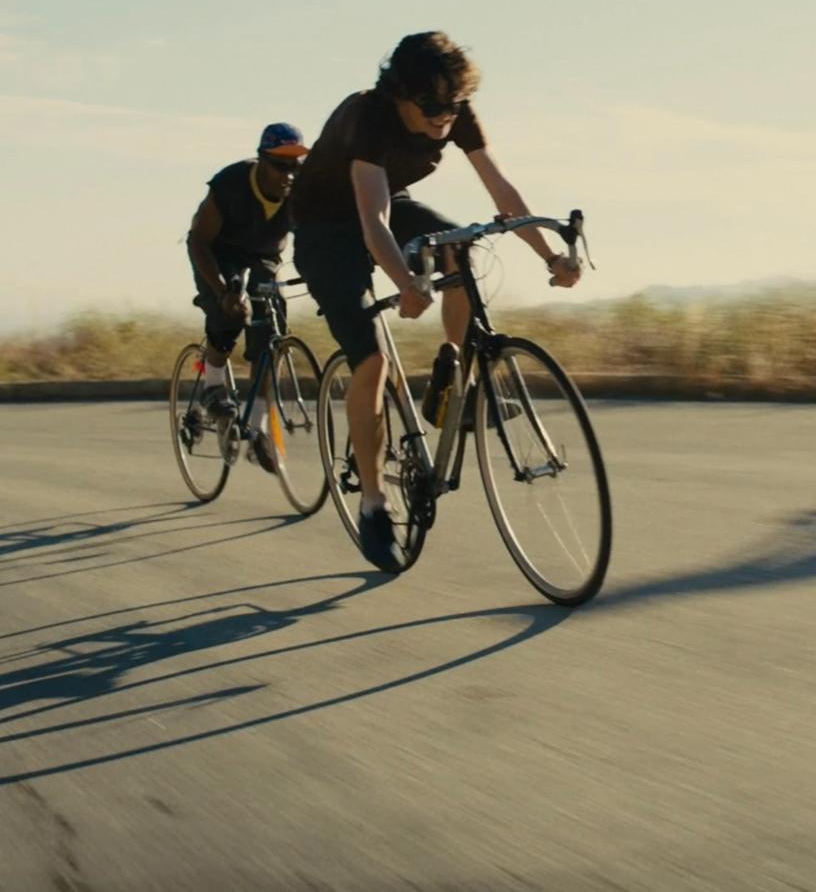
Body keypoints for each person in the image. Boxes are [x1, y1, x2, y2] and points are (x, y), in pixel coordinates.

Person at [290, 31, 580, 568]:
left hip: (390, 204)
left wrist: (549, 257)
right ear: (400, 95)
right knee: (371, 362)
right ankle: (374, 506)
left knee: (459, 248)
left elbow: (502, 191)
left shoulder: (454, 109)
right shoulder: (368, 116)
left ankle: (452, 373)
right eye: (431, 107)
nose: (444, 117)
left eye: (453, 104)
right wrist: (405, 282)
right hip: (324, 227)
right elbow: (372, 220)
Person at [185, 122, 308, 474]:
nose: (288, 174)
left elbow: (314, 234)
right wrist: (222, 290)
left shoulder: (301, 191)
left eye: (295, 166)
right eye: (280, 165)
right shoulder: (231, 184)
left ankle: (256, 429)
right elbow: (198, 241)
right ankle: (212, 384)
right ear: (261, 160)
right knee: (230, 313)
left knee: (269, 331)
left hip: (264, 256)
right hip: (217, 252)